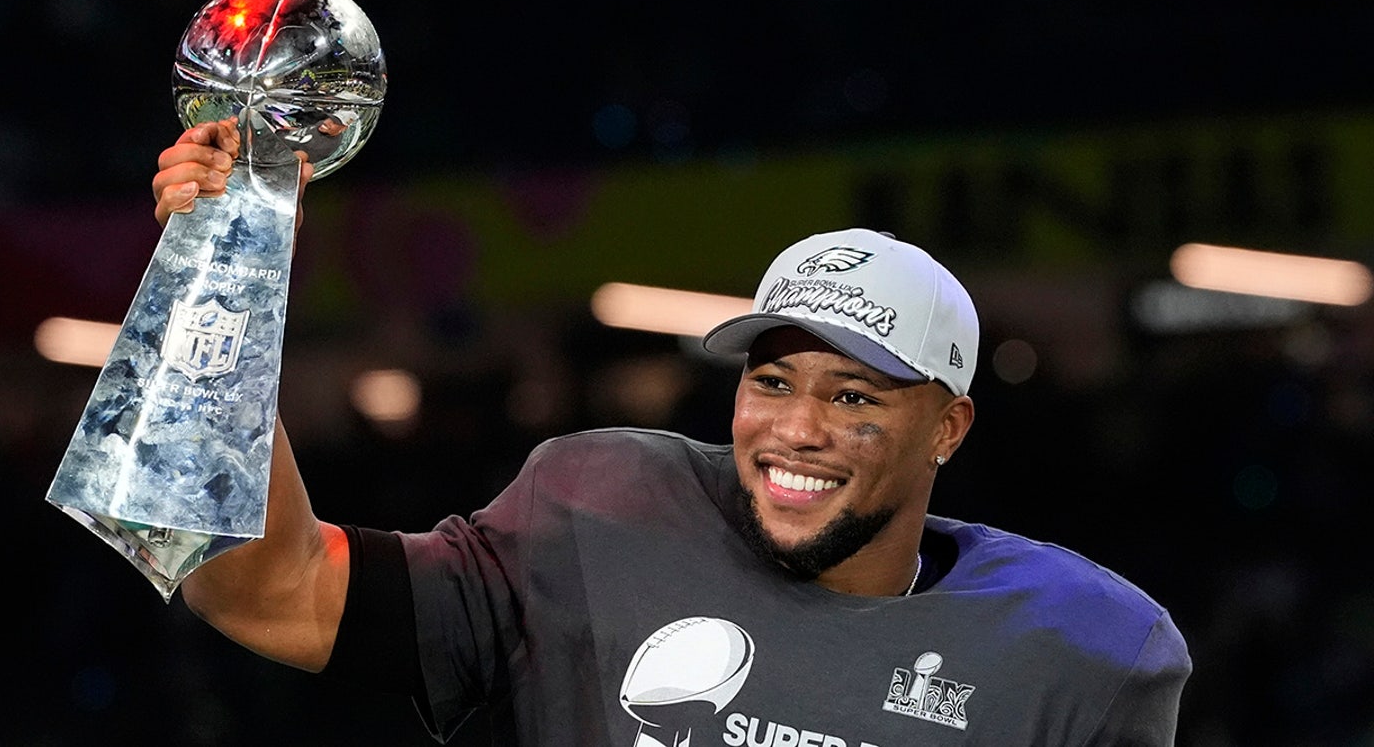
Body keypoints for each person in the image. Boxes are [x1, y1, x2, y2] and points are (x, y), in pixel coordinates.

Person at [152, 119, 1192, 745]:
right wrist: (224, 280)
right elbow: (263, 589)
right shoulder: (597, 512)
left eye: (855, 398)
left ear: (947, 428)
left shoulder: (1083, 651)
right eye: (772, 381)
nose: (796, 430)